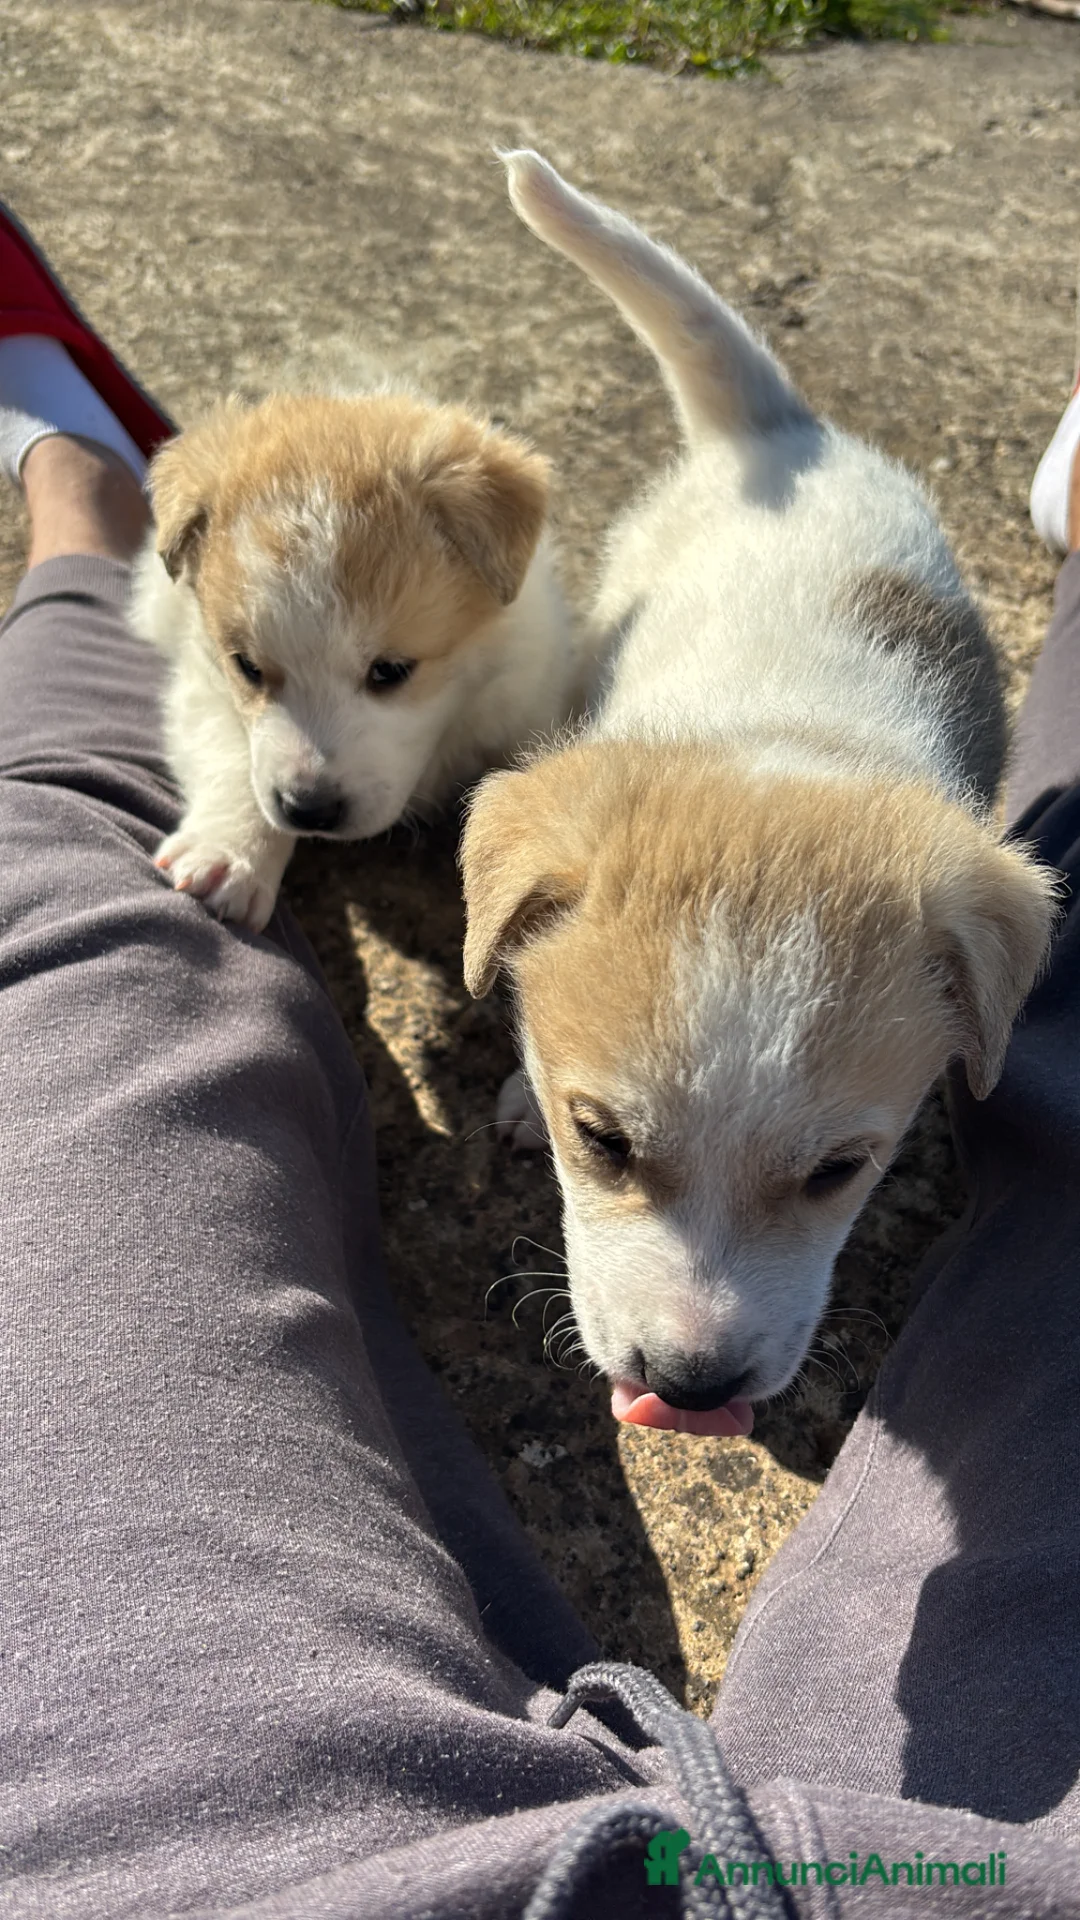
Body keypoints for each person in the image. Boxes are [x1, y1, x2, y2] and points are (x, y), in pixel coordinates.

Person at [1, 198, 1080, 1920]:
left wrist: (598, 1101)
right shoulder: (573, 834)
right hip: (731, 589)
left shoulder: (948, 918)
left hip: (831, 629)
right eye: (612, 1143)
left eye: (826, 1171)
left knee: (68, 931)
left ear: (966, 1008)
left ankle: (69, 529)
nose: (703, 1327)